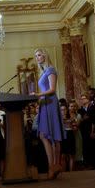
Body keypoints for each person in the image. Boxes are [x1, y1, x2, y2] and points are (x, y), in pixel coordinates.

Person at [30, 48, 65, 179]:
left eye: (39, 55)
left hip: (50, 103)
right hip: (44, 104)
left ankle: (54, 166)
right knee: (44, 135)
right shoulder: (44, 71)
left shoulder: (51, 70)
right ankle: (53, 166)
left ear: (45, 55)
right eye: (35, 56)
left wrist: (38, 94)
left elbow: (52, 89)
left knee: (52, 134)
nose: (37, 58)